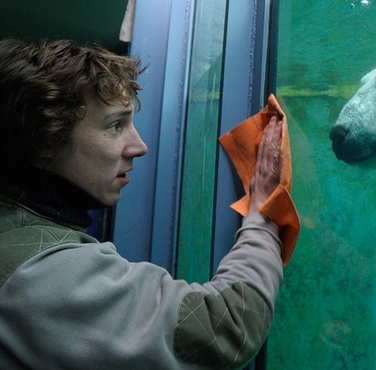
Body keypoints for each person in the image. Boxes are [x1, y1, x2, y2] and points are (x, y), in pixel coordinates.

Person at [0, 38, 286, 369]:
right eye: (115, 125)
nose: (140, 146)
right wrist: (262, 214)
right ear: (45, 140)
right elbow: (224, 328)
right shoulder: (40, 274)